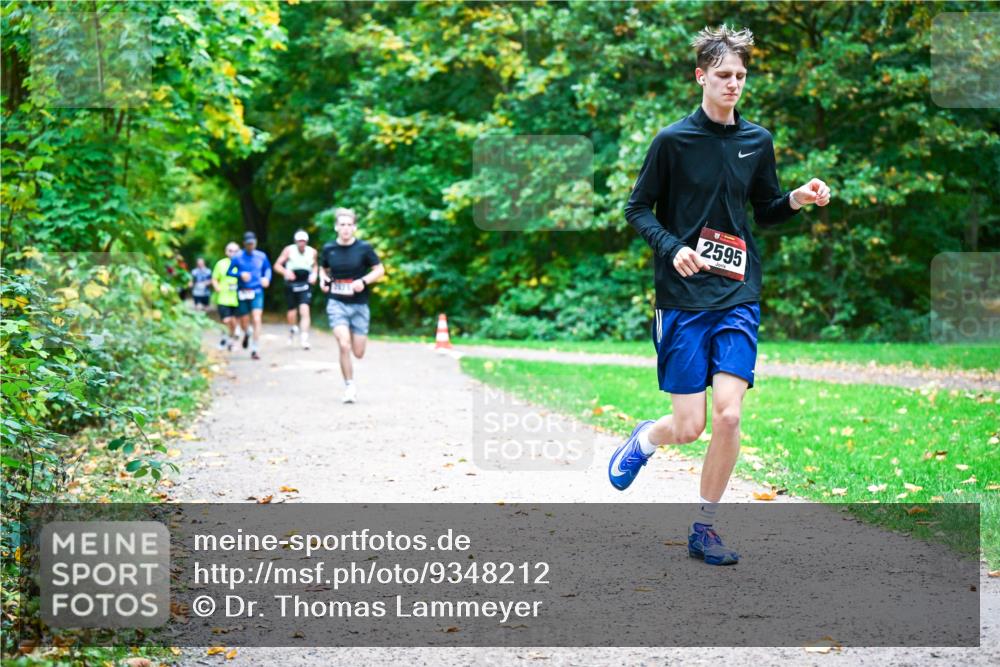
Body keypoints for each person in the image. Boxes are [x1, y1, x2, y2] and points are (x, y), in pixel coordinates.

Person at [609, 25, 831, 565]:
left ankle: (705, 528)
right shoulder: (672, 142)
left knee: (729, 416)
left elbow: (766, 210)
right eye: (724, 75)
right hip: (682, 299)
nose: (734, 84)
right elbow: (637, 209)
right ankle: (645, 439)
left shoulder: (757, 141)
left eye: (741, 76)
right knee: (689, 427)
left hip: (737, 293)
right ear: (701, 76)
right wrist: (672, 248)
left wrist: (796, 199)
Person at [319, 208, 384, 403]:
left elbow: (380, 269)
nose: (346, 228)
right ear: (336, 227)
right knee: (344, 344)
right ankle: (349, 386)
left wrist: (363, 281)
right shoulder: (329, 248)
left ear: (354, 228)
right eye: (342, 225)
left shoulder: (364, 248)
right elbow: (323, 269)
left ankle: (350, 379)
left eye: (349, 225)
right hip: (337, 303)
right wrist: (324, 280)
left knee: (359, 352)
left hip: (359, 305)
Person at [228, 231, 272, 361]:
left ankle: (255, 348)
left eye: (252, 244)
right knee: (244, 321)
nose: (250, 246)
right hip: (242, 291)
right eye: (248, 244)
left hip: (257, 290)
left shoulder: (261, 256)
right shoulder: (237, 257)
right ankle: (247, 332)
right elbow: (229, 272)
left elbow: (268, 269)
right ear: (244, 244)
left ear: (255, 243)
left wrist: (267, 279)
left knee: (257, 318)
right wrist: (240, 274)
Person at [274, 230, 318, 350]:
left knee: (305, 309)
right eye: (299, 241)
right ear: (295, 241)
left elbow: (315, 266)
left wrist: (314, 275)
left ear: (306, 241)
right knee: (292, 311)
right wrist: (286, 272)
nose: (301, 243)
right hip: (292, 282)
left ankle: (304, 338)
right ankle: (292, 327)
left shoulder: (312, 252)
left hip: (305, 282)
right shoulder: (289, 250)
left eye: (303, 241)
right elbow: (277, 265)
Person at [211, 242, 240, 351]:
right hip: (223, 297)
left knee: (234, 321)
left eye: (235, 251)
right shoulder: (221, 264)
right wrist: (217, 287)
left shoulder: (241, 263)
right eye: (230, 250)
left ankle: (231, 340)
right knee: (226, 320)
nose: (233, 253)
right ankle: (225, 337)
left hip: (237, 298)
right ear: (226, 252)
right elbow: (214, 278)